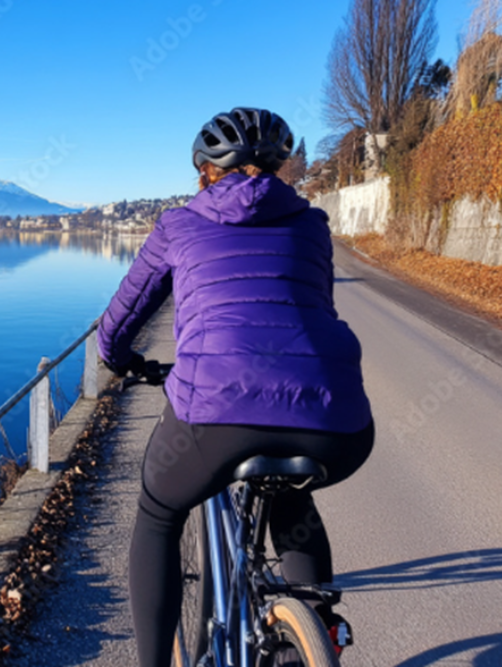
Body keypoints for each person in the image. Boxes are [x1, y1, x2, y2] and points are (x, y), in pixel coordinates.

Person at [97, 107, 375, 667]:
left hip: (215, 417)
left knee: (157, 512)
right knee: (293, 498)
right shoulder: (312, 224)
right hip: (334, 421)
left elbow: (118, 324)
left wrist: (120, 360)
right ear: (279, 168)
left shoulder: (178, 225)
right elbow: (313, 305)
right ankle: (313, 634)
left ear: (204, 173)